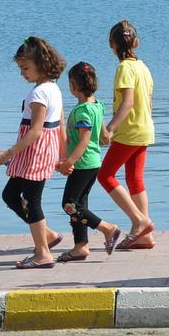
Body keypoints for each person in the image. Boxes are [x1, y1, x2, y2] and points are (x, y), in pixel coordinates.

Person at [0, 36, 67, 268]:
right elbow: (61, 125)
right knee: (11, 195)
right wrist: (63, 156)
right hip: (44, 151)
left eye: (25, 68)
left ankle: (43, 253)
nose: (22, 73)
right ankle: (49, 236)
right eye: (20, 68)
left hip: (34, 153)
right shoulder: (53, 88)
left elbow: (35, 131)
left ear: (41, 64)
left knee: (32, 200)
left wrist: (8, 153)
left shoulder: (38, 94)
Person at [98, 20, 156, 249]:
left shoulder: (124, 68)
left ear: (111, 44)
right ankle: (144, 237)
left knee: (105, 175)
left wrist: (110, 128)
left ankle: (140, 222)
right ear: (137, 42)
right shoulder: (143, 67)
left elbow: (128, 103)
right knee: (135, 180)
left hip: (129, 131)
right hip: (145, 128)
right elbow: (148, 102)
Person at [56, 62, 122, 261]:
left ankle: (107, 229)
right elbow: (104, 135)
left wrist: (69, 161)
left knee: (69, 204)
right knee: (79, 204)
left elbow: (84, 140)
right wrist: (104, 137)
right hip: (94, 163)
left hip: (83, 164)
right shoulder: (96, 105)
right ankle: (80, 246)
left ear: (74, 86)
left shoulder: (82, 111)